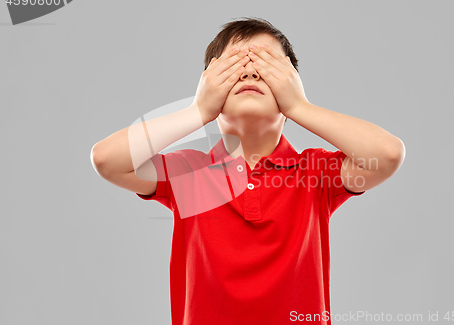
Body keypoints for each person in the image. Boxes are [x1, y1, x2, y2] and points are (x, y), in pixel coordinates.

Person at [91, 17, 405, 325]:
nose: (251, 72)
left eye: (268, 66)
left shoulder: (315, 173)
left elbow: (387, 154)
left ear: (290, 85)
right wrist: (198, 110)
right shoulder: (189, 174)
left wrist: (300, 107)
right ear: (209, 86)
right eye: (235, 67)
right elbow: (107, 159)